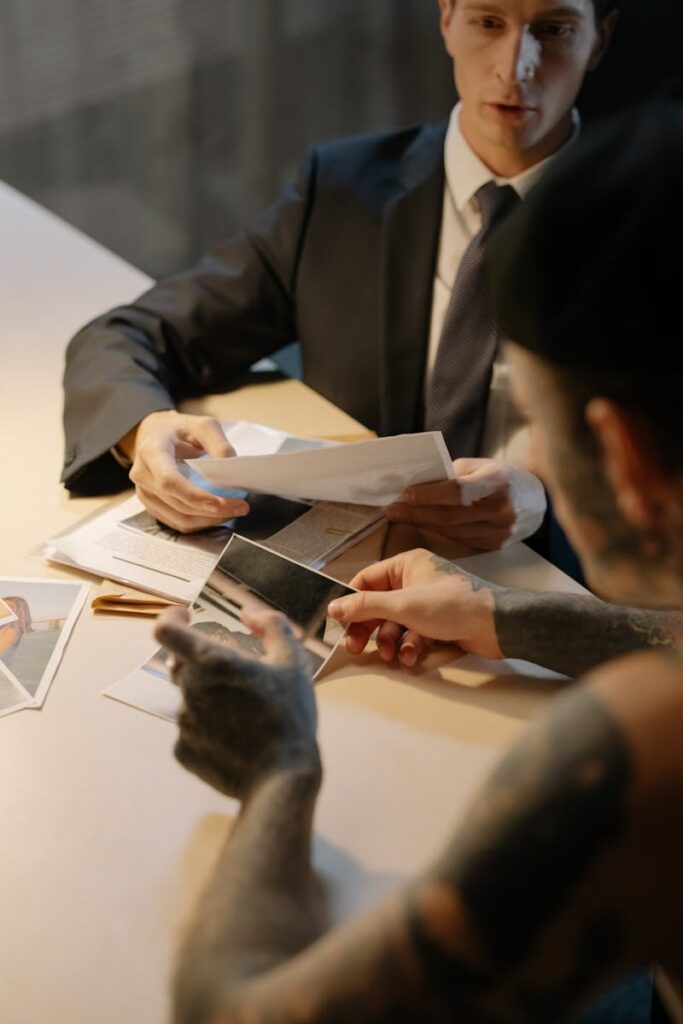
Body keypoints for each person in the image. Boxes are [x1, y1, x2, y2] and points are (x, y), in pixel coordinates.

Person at [154, 100, 683, 1023]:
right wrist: (500, 613)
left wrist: (279, 770)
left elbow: (232, 1012)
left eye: (541, 425)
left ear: (627, 458)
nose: (538, 467)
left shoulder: (644, 751)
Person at [61, 0, 617, 556]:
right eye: (488, 22)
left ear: (599, 40)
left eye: (554, 30)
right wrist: (146, 433)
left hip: (553, 586)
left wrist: (544, 507)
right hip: (350, 570)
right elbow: (126, 336)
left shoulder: (650, 225)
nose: (514, 66)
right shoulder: (342, 192)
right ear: (447, 18)